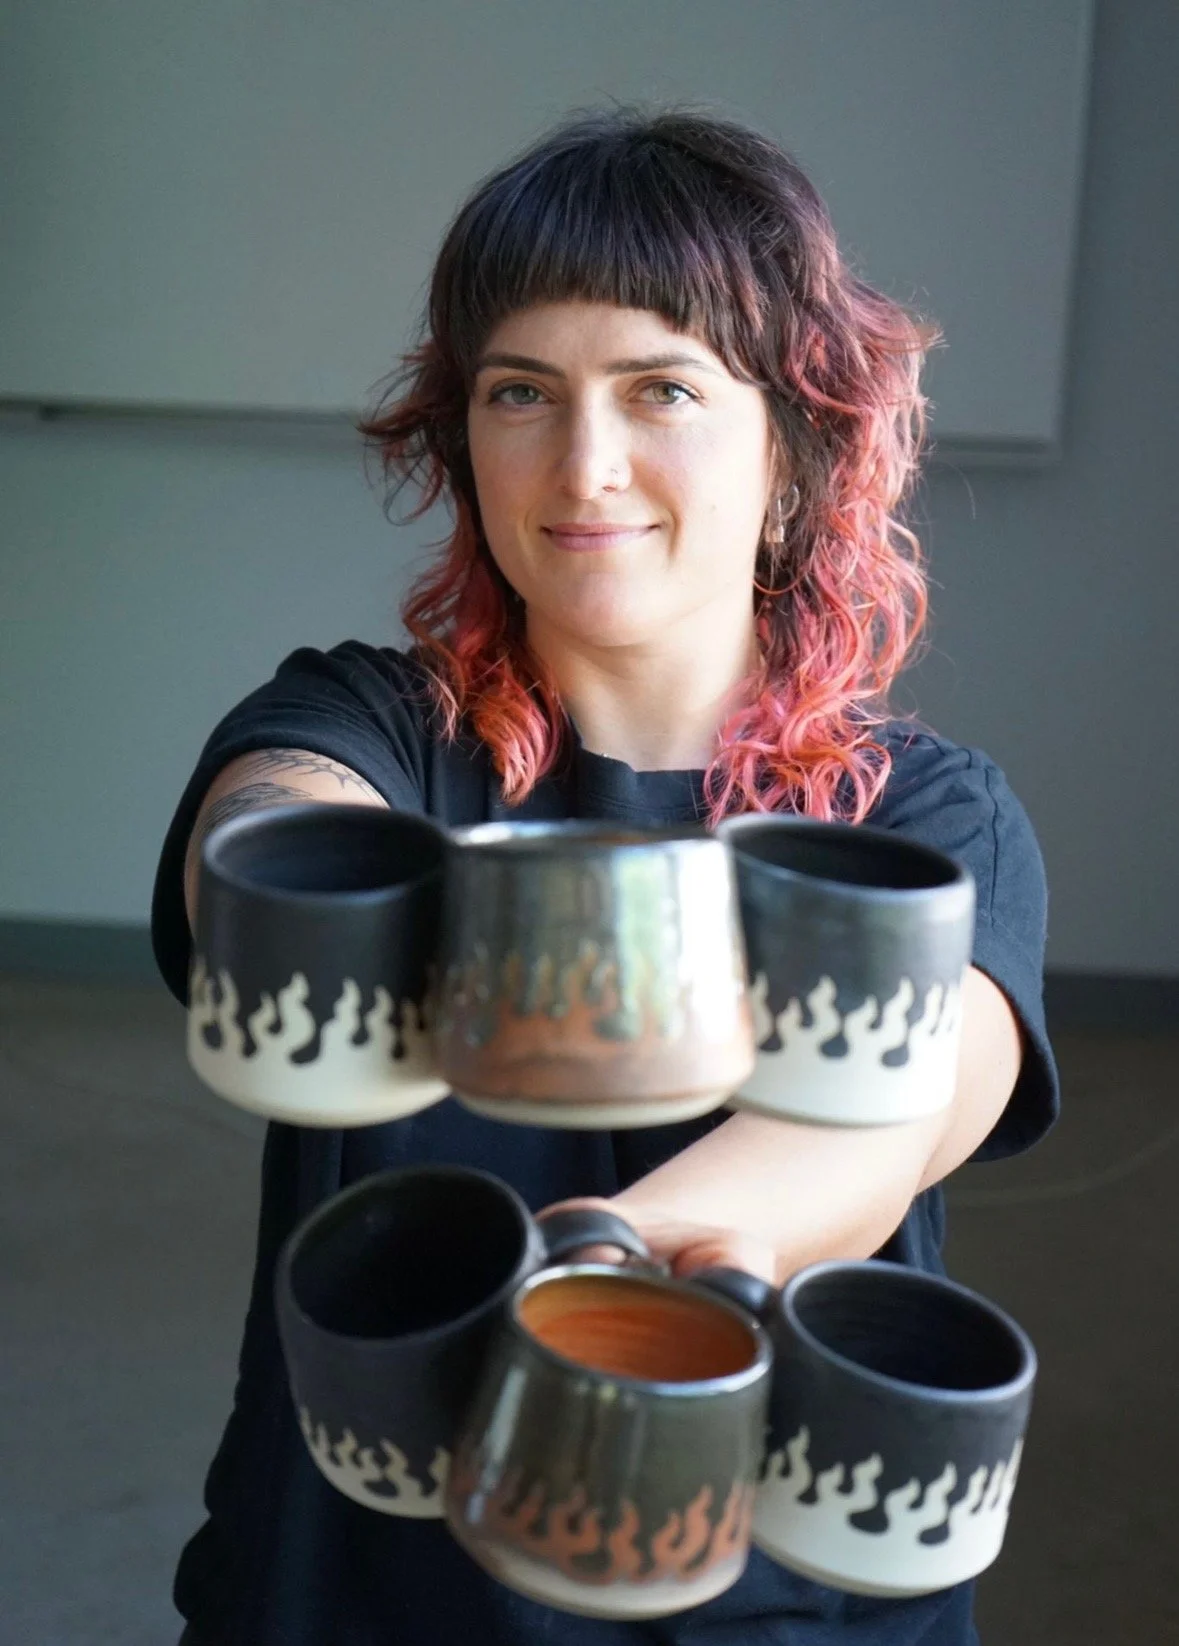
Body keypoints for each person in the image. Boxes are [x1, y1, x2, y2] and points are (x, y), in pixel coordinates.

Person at [152, 105, 1059, 1646]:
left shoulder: (920, 816)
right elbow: (267, 844)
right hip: (356, 1603)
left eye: (661, 389)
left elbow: (884, 1121)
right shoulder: (366, 729)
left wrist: (593, 1268)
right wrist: (292, 883)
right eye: (522, 391)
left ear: (794, 445)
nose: (584, 464)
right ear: (464, 439)